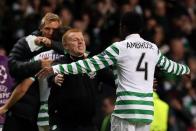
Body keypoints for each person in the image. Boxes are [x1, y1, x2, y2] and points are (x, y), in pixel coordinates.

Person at [37, 11, 191, 131]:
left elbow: (87, 65)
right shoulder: (152, 48)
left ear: (123, 27)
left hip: (126, 111)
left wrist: (55, 68)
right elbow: (170, 66)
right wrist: (186, 69)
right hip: (146, 112)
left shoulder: (119, 47)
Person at [3, 12, 63, 131]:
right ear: (41, 28)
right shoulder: (27, 42)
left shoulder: (63, 46)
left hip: (56, 108)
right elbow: (12, 67)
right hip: (26, 107)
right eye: (47, 28)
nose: (50, 33)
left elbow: (74, 49)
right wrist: (38, 64)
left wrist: (52, 44)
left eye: (54, 30)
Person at [47, 28, 115, 131]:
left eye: (82, 39)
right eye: (75, 40)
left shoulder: (94, 63)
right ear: (65, 46)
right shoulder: (60, 62)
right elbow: (52, 73)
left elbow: (114, 79)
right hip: (65, 125)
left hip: (89, 124)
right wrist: (54, 78)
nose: (80, 42)